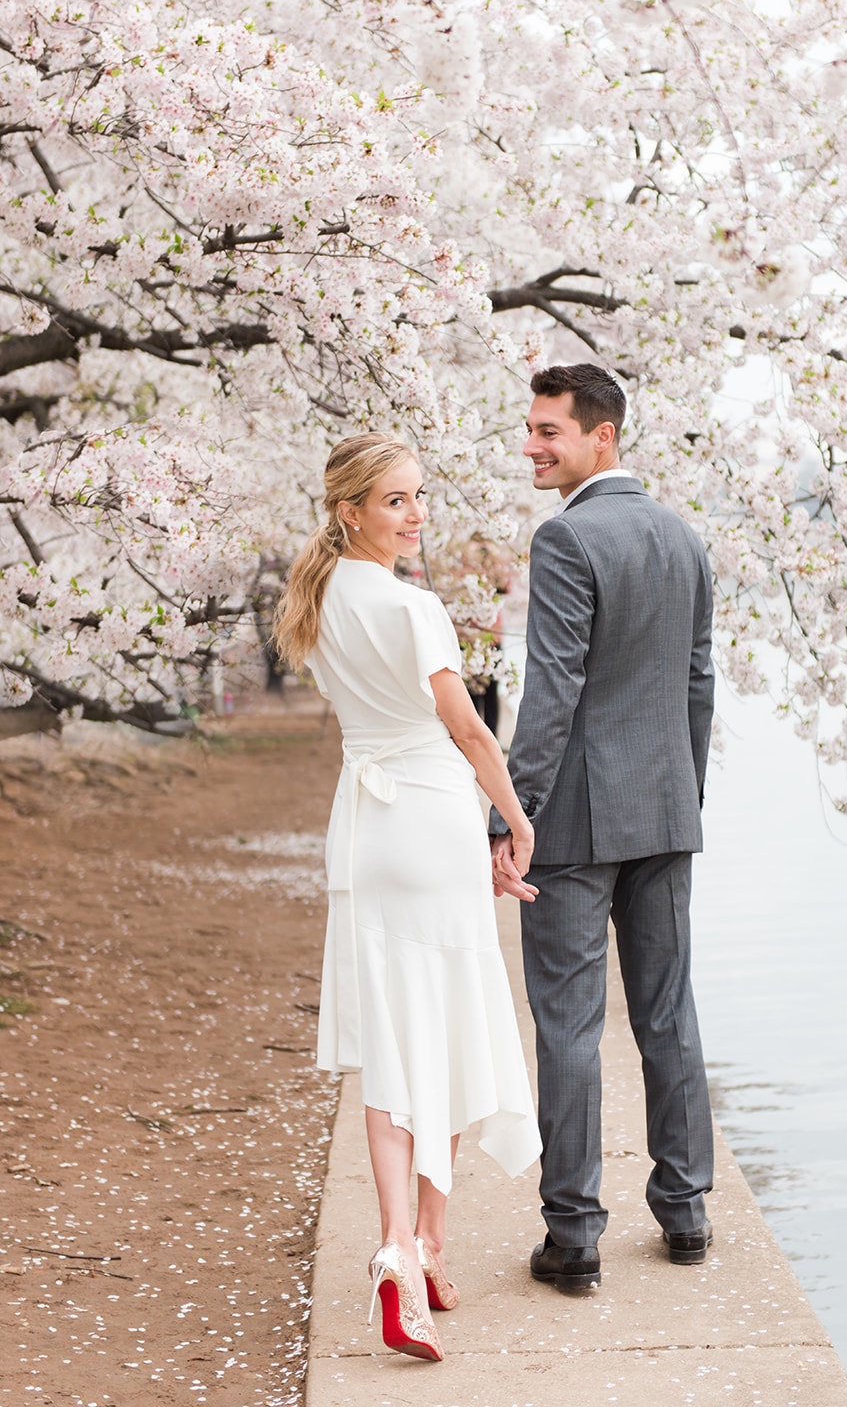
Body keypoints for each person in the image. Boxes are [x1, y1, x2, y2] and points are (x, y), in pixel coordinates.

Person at [274, 433, 540, 1362]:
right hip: (428, 818)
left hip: (364, 831)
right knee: (454, 1028)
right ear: (351, 510)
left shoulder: (316, 602)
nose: (416, 513)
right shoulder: (412, 605)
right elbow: (466, 728)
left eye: (419, 496)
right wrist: (511, 820)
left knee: (394, 1042)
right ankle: (421, 1240)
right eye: (396, 501)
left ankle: (405, 1248)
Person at [489, 363, 716, 1292]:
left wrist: (509, 814)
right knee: (667, 1013)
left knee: (570, 1029)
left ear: (602, 435)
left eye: (550, 431)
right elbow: (698, 683)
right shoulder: (683, 537)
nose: (533, 446)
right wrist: (682, 793)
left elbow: (551, 696)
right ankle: (688, 1215)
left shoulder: (568, 540)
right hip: (665, 813)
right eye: (533, 429)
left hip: (576, 827)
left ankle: (574, 1238)